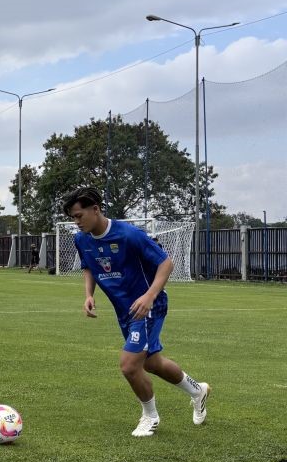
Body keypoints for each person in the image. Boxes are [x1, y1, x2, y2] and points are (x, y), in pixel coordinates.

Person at [62, 187, 210, 437]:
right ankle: (198, 391)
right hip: (125, 310)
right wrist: (89, 295)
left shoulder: (130, 234)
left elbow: (166, 262)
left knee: (130, 365)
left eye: (79, 216)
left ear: (95, 209)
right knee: (152, 363)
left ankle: (150, 417)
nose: (76, 222)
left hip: (148, 307)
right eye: (73, 217)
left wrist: (149, 296)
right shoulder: (81, 239)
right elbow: (88, 266)